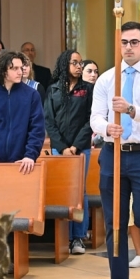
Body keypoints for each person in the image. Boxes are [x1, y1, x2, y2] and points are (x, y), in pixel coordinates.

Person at [90, 21, 140, 279]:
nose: (128, 47)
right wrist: (106, 129)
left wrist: (131, 110)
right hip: (113, 153)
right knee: (115, 222)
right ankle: (119, 278)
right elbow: (95, 117)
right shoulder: (106, 78)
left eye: (134, 42)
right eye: (124, 42)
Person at [45, 49, 93, 255]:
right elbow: (49, 120)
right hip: (59, 148)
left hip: (80, 148)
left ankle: (78, 238)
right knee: (63, 193)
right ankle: (64, 238)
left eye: (80, 63)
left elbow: (90, 119)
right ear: (65, 64)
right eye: (74, 63)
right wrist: (63, 147)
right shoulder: (54, 89)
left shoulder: (88, 89)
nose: (78, 66)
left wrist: (74, 147)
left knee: (79, 192)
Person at [0, 51, 45, 174]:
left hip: (24, 163)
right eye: (14, 68)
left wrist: (30, 155)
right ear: (2, 71)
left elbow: (37, 129)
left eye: (21, 68)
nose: (20, 72)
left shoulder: (32, 95)